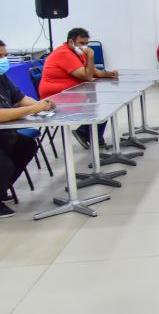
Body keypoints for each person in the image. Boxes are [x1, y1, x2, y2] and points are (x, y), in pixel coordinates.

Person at [0, 40, 56, 218]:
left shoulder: (2, 78)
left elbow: (20, 99)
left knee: (27, 146)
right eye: (0, 56)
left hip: (5, 133)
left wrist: (43, 105)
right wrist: (34, 109)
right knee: (4, 164)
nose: (4, 59)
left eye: (5, 55)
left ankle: (2, 188)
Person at [39, 27, 118, 149]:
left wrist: (108, 74)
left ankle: (92, 136)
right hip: (56, 98)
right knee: (101, 105)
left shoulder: (77, 52)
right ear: (71, 42)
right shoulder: (64, 53)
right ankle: (86, 133)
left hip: (73, 93)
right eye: (82, 43)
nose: (85, 47)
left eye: (86, 44)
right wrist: (91, 56)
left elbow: (92, 71)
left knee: (105, 103)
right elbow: (87, 76)